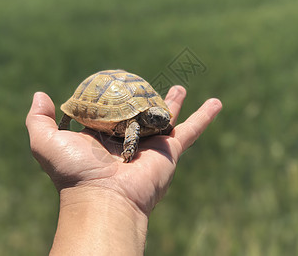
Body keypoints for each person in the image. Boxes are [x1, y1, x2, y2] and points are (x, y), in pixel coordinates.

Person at [25, 85, 222, 255]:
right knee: (133, 125)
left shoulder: (156, 119)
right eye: (155, 118)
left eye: (163, 119)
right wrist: (130, 148)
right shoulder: (134, 122)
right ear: (147, 115)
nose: (161, 122)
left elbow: (162, 123)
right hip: (109, 103)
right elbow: (134, 125)